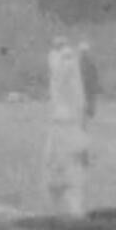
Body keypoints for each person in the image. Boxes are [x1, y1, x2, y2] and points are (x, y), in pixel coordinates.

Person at [44, 36, 90, 216]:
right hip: (65, 122)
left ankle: (71, 209)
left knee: (67, 172)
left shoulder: (64, 66)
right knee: (62, 171)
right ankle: (67, 208)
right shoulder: (68, 67)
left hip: (65, 123)